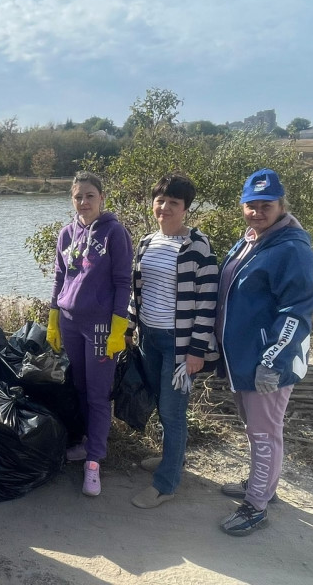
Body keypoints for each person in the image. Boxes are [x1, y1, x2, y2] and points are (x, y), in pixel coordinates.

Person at [216, 168, 313, 536]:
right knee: (255, 428)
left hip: (267, 363)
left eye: (266, 205)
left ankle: (256, 505)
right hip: (244, 360)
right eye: (251, 205)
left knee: (264, 433)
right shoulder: (252, 240)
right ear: (242, 205)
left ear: (281, 205)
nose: (257, 211)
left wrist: (272, 360)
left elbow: (296, 312)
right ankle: (261, 486)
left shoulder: (291, 249)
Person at [124, 174, 219, 509]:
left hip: (180, 346)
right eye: (160, 200)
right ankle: (172, 459)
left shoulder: (198, 247)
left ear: (186, 209)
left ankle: (166, 484)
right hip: (149, 337)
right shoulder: (147, 243)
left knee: (172, 410)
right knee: (160, 405)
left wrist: (196, 352)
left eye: (173, 203)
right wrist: (128, 327)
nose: (164, 208)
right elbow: (139, 293)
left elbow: (208, 302)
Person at [46, 171, 133, 496]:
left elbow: (123, 283)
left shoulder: (115, 232)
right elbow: (59, 277)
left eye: (90, 196)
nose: (83, 202)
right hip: (70, 321)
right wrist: (54, 316)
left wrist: (118, 327)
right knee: (80, 387)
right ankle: (86, 443)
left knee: (97, 394)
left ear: (102, 198)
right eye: (78, 196)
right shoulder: (67, 233)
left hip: (99, 327)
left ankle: (94, 462)